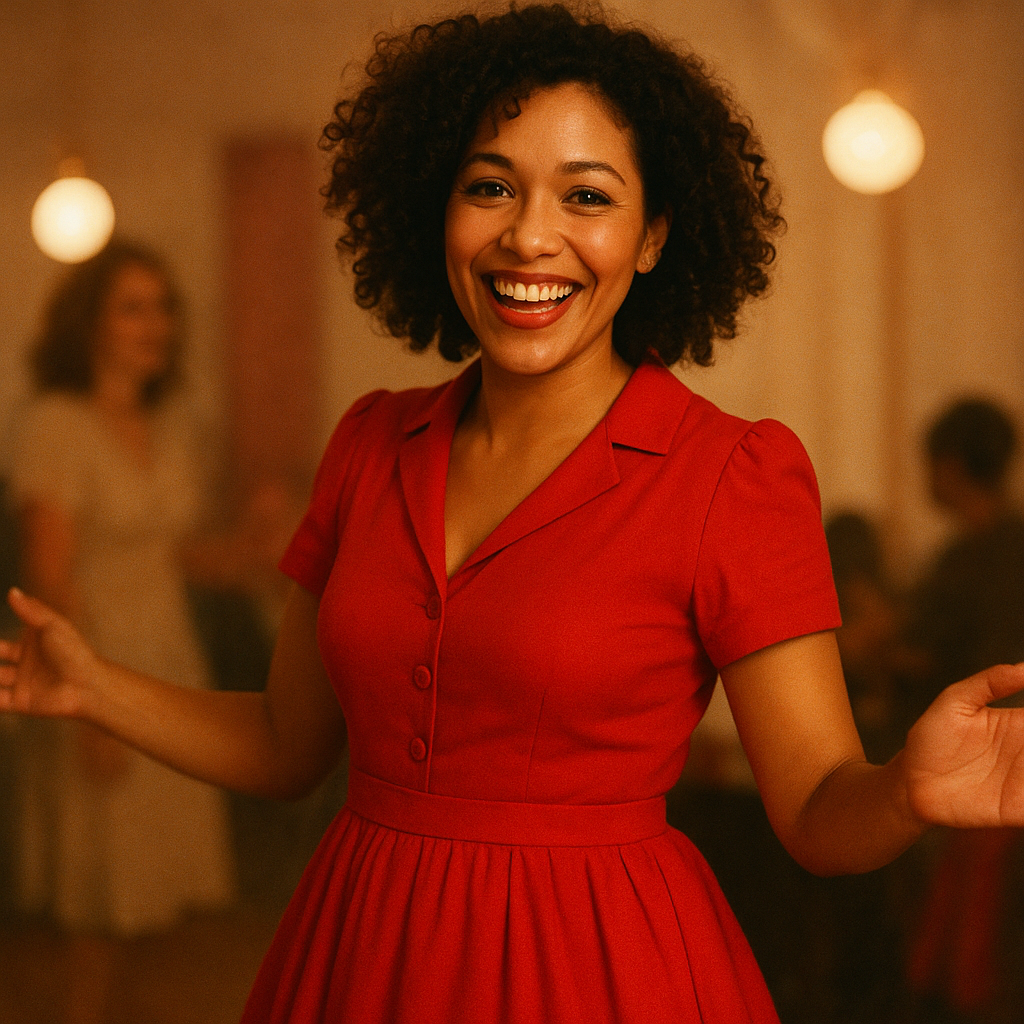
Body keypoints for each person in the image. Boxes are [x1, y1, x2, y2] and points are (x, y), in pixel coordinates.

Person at [3, 6, 1024, 1022]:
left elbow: (810, 807)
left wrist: (903, 790)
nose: (529, 235)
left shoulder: (729, 473)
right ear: (434, 208)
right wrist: (95, 687)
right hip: (359, 948)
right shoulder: (369, 443)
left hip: (596, 969)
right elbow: (285, 741)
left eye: (587, 196)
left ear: (655, 235)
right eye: (490, 185)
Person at [6, 241, 236, 1024]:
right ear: (90, 323)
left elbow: (171, 555)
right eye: (133, 307)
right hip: (93, 661)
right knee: (99, 911)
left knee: (153, 906)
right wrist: (87, 704)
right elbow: (52, 573)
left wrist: (267, 548)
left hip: (170, 661)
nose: (155, 324)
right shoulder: (56, 424)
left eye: (163, 306)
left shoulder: (173, 424)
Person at [902, 398, 1024, 1023]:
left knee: (964, 964)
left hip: (978, 777)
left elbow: (921, 659)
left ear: (949, 467)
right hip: (1009, 771)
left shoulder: (965, 562)